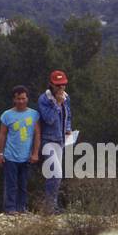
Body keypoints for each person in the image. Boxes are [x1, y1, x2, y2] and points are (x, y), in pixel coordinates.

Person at [0, 85, 40, 214]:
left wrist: (35, 153)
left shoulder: (34, 114)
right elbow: (2, 134)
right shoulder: (7, 115)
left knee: (23, 184)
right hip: (10, 155)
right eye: (18, 99)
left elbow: (37, 134)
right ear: (14, 99)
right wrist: (0, 153)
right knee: (11, 184)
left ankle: (22, 208)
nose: (21, 101)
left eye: (23, 98)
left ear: (27, 98)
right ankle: (10, 208)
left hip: (26, 155)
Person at [37, 70, 72, 213]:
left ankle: (53, 205)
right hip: (49, 140)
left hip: (61, 140)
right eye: (58, 85)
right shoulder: (44, 100)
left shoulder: (66, 97)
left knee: (55, 174)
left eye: (63, 84)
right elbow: (49, 119)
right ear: (51, 84)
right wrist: (57, 103)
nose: (61, 88)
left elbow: (68, 115)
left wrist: (68, 128)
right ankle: (49, 207)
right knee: (56, 173)